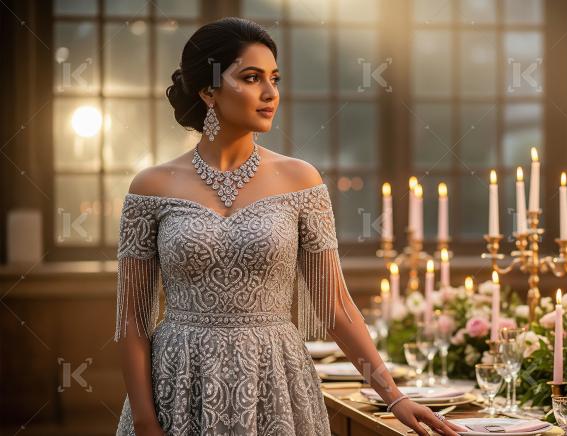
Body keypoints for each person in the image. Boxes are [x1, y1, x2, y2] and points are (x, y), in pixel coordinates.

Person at [114, 17, 462, 436]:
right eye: (251, 77)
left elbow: (335, 308)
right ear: (208, 90)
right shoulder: (151, 187)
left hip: (275, 380)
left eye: (274, 79)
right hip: (179, 385)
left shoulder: (302, 181)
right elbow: (132, 319)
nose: (270, 93)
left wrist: (395, 396)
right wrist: (146, 422)